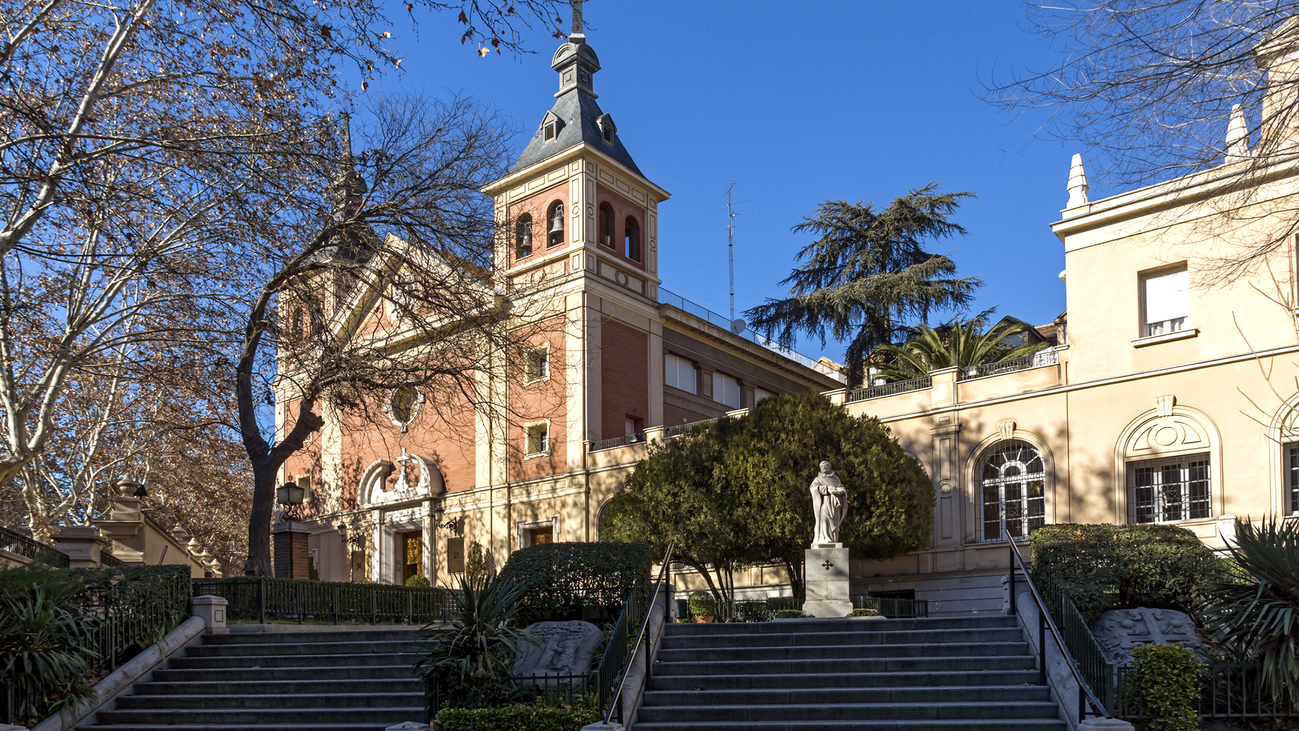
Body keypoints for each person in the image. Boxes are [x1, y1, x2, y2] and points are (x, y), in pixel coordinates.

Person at [810, 460, 847, 546]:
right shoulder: (817, 479)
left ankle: (833, 539)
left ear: (829, 467)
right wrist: (827, 489)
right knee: (824, 518)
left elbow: (841, 487)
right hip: (824, 502)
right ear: (820, 468)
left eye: (826, 465)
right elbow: (813, 488)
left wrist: (840, 491)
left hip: (834, 504)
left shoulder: (836, 479)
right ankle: (824, 538)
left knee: (834, 521)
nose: (824, 467)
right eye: (822, 466)